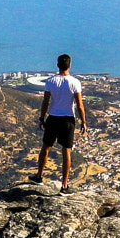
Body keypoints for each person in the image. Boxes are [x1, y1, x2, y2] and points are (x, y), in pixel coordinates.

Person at [34, 52, 87, 192]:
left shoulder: (50, 81)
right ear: (69, 65)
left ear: (58, 65)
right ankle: (64, 186)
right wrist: (83, 122)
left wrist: (42, 118)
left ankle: (39, 176)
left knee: (46, 147)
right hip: (68, 119)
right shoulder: (75, 82)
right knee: (66, 151)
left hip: (53, 117)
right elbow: (79, 104)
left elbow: (45, 101)